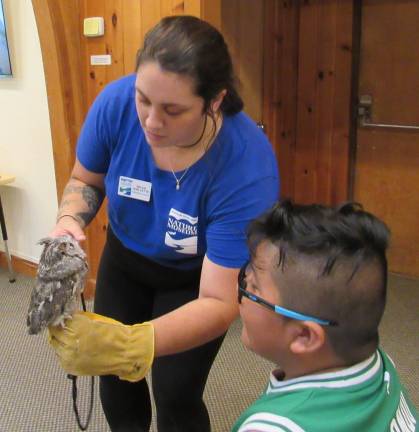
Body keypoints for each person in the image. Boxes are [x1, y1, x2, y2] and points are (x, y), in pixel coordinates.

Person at [47, 15, 279, 432]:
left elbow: (219, 302)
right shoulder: (116, 103)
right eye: (144, 100)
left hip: (195, 282)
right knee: (115, 378)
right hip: (126, 260)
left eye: (173, 110)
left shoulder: (247, 166)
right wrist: (69, 219)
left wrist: (134, 341)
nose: (151, 121)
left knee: (175, 391)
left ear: (214, 101)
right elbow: (85, 179)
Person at [232, 200, 418, 432]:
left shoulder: (274, 427)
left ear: (304, 336)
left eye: (253, 289)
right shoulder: (382, 367)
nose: (242, 288)